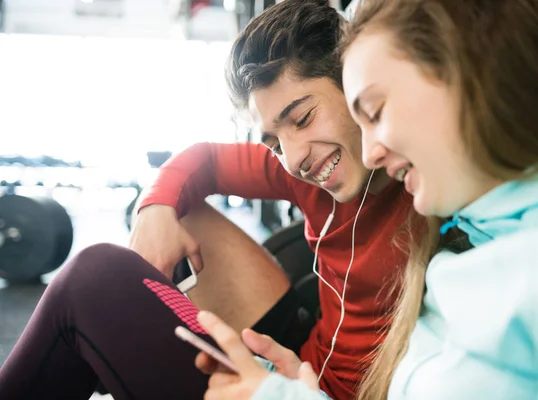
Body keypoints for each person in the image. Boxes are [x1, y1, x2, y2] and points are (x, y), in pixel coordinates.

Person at [0, 1, 414, 399]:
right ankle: (116, 346)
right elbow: (206, 160)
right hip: (301, 361)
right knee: (182, 215)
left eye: (302, 118)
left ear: (355, 80)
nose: (294, 158)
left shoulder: (429, 190)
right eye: (273, 142)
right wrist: (154, 208)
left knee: (92, 276)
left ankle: (106, 350)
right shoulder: (304, 170)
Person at [190, 0, 538, 399]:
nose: (371, 153)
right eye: (277, 144)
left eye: (376, 111)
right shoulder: (457, 246)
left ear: (462, 77)